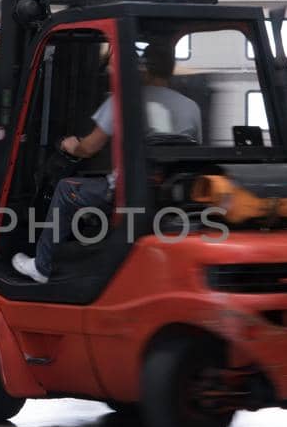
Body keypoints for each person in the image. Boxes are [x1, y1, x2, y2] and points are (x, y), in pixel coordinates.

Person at [12, 41, 201, 284]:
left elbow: (90, 147)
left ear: (145, 68)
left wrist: (72, 146)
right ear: (171, 69)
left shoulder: (124, 101)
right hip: (169, 195)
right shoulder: (191, 107)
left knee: (66, 189)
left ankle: (42, 265)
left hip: (127, 193)